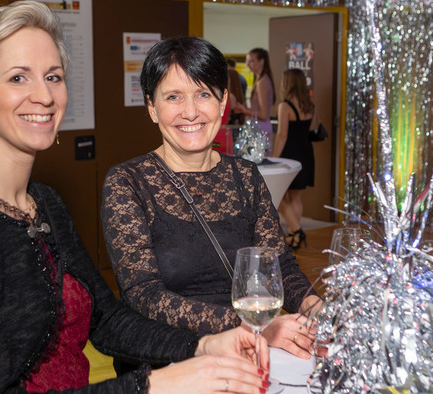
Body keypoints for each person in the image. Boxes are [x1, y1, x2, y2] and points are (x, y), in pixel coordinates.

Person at [0, 1, 269, 394]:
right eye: (18, 78)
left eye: (53, 76)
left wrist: (202, 345)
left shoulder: (45, 203)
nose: (44, 95)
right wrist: (153, 384)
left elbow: (107, 321)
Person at [101, 37, 323, 377]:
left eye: (203, 94)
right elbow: (143, 295)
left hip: (248, 356)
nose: (190, 112)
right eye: (173, 97)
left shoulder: (246, 176)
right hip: (169, 364)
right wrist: (254, 325)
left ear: (222, 102)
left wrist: (317, 310)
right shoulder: (128, 182)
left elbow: (281, 266)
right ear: (152, 107)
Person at [273, 69, 320, 250]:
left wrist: (274, 158)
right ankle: (295, 234)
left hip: (289, 154)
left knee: (279, 195)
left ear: (288, 83)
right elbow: (313, 128)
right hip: (306, 153)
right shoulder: (309, 105)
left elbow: (282, 135)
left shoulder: (285, 106)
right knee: (296, 197)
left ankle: (296, 230)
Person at [234, 48, 276, 138]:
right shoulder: (260, 80)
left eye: (251, 61)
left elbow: (263, 115)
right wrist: (244, 109)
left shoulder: (262, 82)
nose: (248, 64)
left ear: (261, 62)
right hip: (260, 128)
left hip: (261, 129)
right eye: (247, 61)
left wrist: (245, 110)